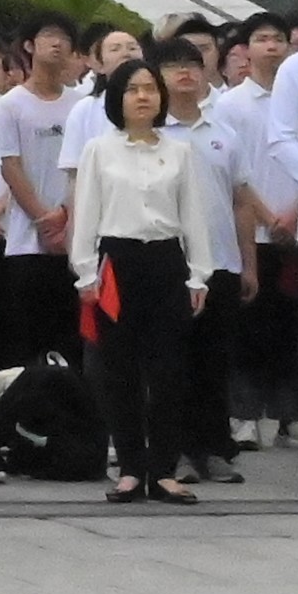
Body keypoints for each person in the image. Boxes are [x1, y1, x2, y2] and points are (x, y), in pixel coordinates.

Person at [63, 55, 199, 500]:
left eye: (150, 89)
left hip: (165, 262)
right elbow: (86, 216)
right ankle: (129, 468)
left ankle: (163, 469)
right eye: (133, 89)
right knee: (117, 371)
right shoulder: (99, 150)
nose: (143, 97)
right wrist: (85, 272)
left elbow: (194, 217)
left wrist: (199, 275)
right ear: (117, 99)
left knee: (168, 372)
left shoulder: (178, 152)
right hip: (116, 264)